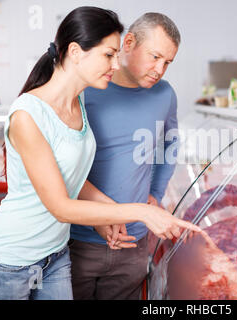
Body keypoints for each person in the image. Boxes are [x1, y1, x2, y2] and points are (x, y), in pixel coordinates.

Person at [0, 6, 199, 301]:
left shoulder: (76, 104)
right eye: (108, 55)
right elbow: (60, 206)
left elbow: (72, 178)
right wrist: (141, 211)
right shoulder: (28, 114)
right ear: (76, 52)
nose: (115, 65)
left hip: (55, 254)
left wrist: (112, 213)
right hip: (9, 261)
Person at [69, 12, 183, 300]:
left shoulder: (165, 94)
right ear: (128, 43)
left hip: (133, 242)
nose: (160, 69)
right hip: (77, 239)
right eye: (155, 56)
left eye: (167, 62)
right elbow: (63, 165)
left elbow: (170, 145)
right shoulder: (87, 89)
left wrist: (156, 192)